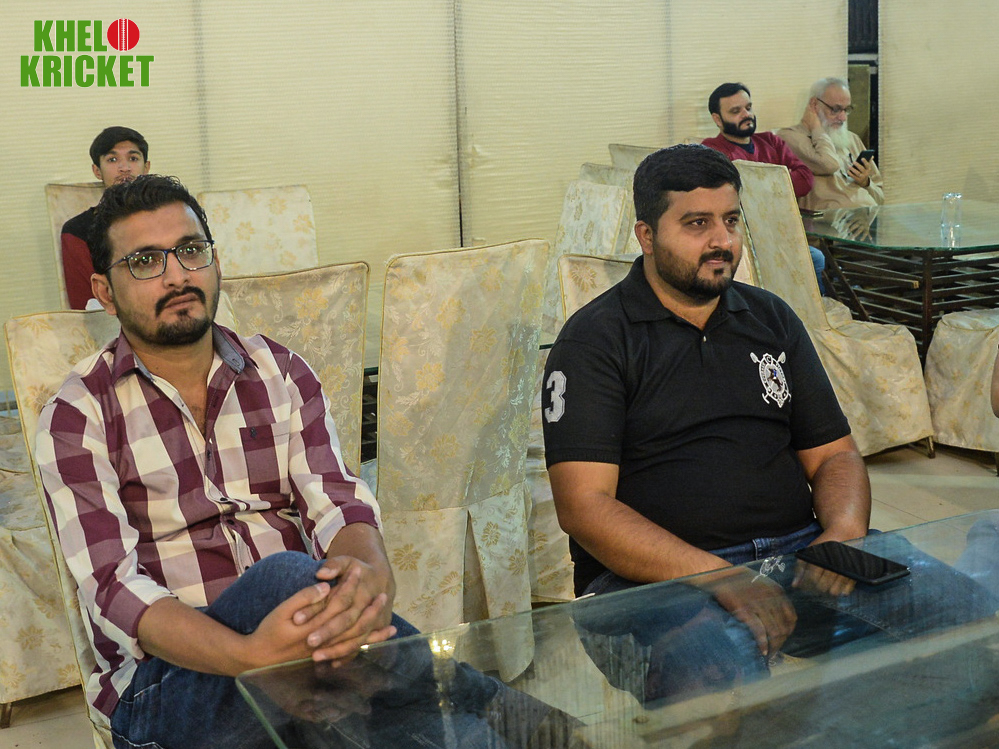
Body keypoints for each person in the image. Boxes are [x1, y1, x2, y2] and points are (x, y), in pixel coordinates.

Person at [35, 175, 575, 749]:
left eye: (191, 250)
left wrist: (367, 583)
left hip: (310, 647)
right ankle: (493, 702)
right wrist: (252, 657)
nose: (177, 275)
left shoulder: (280, 371)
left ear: (216, 262)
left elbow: (338, 503)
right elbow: (113, 587)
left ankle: (478, 720)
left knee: (432, 730)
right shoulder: (79, 413)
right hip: (168, 686)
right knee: (285, 577)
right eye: (145, 261)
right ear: (105, 291)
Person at [542, 145, 999, 705]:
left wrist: (841, 536)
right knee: (730, 691)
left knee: (970, 617)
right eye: (697, 224)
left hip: (798, 553)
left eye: (731, 220)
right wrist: (723, 576)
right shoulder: (595, 340)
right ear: (646, 235)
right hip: (654, 582)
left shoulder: (770, 318)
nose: (722, 241)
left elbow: (834, 455)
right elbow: (584, 507)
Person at [702, 82, 826, 293]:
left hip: (779, 234)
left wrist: (756, 185)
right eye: (736, 111)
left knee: (816, 257)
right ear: (717, 119)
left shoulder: (771, 141)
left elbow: (805, 179)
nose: (746, 114)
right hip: (743, 239)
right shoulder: (712, 149)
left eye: (748, 107)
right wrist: (777, 182)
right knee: (814, 258)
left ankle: (812, 310)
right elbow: (732, 195)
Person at [60, 126, 150, 309]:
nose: (124, 168)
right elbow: (85, 306)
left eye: (133, 159)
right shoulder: (77, 231)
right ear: (97, 171)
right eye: (112, 160)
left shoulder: (167, 219)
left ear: (146, 167)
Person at [779, 77, 884, 212]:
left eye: (846, 110)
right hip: (829, 222)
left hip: (867, 217)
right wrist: (816, 127)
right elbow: (829, 165)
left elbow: (881, 198)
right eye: (835, 109)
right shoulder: (791, 137)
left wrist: (866, 182)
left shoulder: (852, 139)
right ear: (814, 104)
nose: (843, 118)